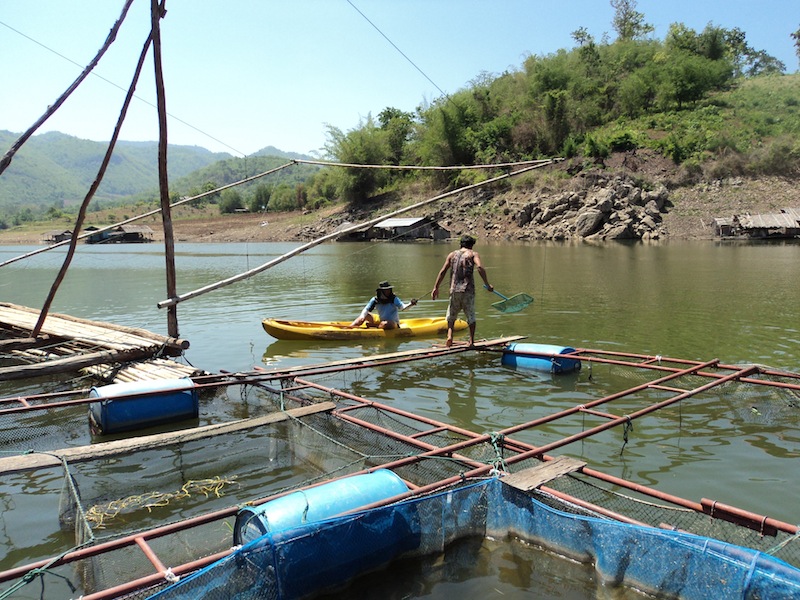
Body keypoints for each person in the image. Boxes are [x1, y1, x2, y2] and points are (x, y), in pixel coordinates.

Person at [431, 234, 493, 346]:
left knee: (451, 315)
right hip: (467, 290)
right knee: (471, 316)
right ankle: (471, 341)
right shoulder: (473, 254)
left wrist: (436, 287)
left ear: (461, 244)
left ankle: (450, 336)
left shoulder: (452, 255)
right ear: (472, 245)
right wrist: (487, 284)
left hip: (454, 290)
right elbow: (479, 267)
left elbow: (443, 271)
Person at [349, 281, 417, 329]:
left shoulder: (394, 298)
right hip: (381, 320)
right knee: (364, 315)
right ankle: (349, 328)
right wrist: (362, 316)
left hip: (393, 323)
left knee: (386, 324)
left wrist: (411, 304)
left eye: (389, 290)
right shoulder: (375, 300)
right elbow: (366, 309)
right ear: (381, 291)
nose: (388, 292)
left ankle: (375, 327)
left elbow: (403, 308)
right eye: (386, 290)